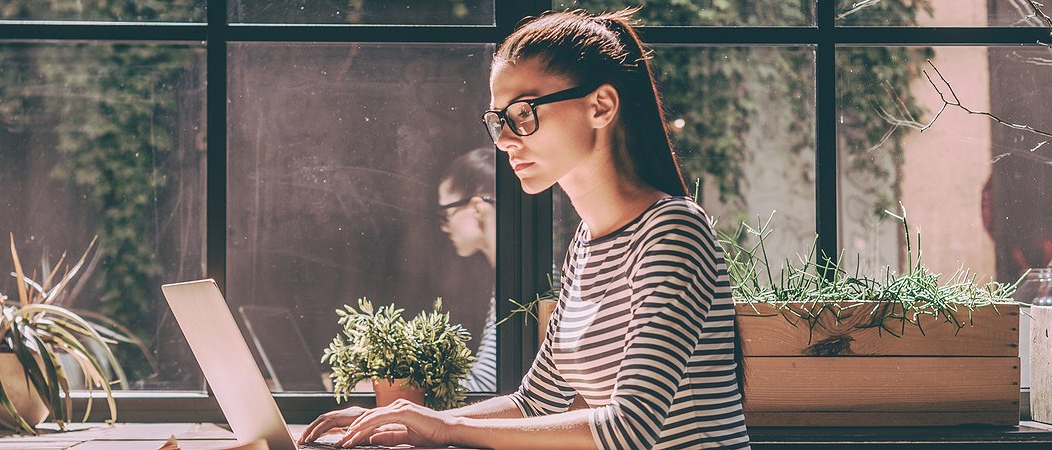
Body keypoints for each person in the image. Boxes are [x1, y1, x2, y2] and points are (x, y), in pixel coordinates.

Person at [299, 8, 751, 449]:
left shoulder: (674, 231)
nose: (508, 140)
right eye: (499, 121)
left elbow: (627, 429)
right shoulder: (586, 244)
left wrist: (446, 430)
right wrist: (405, 420)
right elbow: (535, 402)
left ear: (601, 106)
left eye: (524, 112)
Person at [437, 147, 499, 393]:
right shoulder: (510, 278)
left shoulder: (524, 283)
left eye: (446, 214)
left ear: (476, 208)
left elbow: (487, 387)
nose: (445, 227)